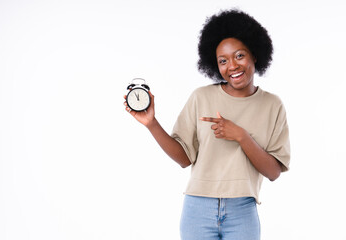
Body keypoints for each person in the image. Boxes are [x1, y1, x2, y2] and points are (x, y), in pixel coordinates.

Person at [124, 9, 290, 240]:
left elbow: (273, 172)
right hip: (197, 209)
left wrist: (242, 136)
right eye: (223, 60)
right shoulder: (201, 97)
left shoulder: (272, 105)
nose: (232, 65)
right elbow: (184, 159)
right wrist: (151, 123)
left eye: (239, 56)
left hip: (243, 210)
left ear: (255, 54)